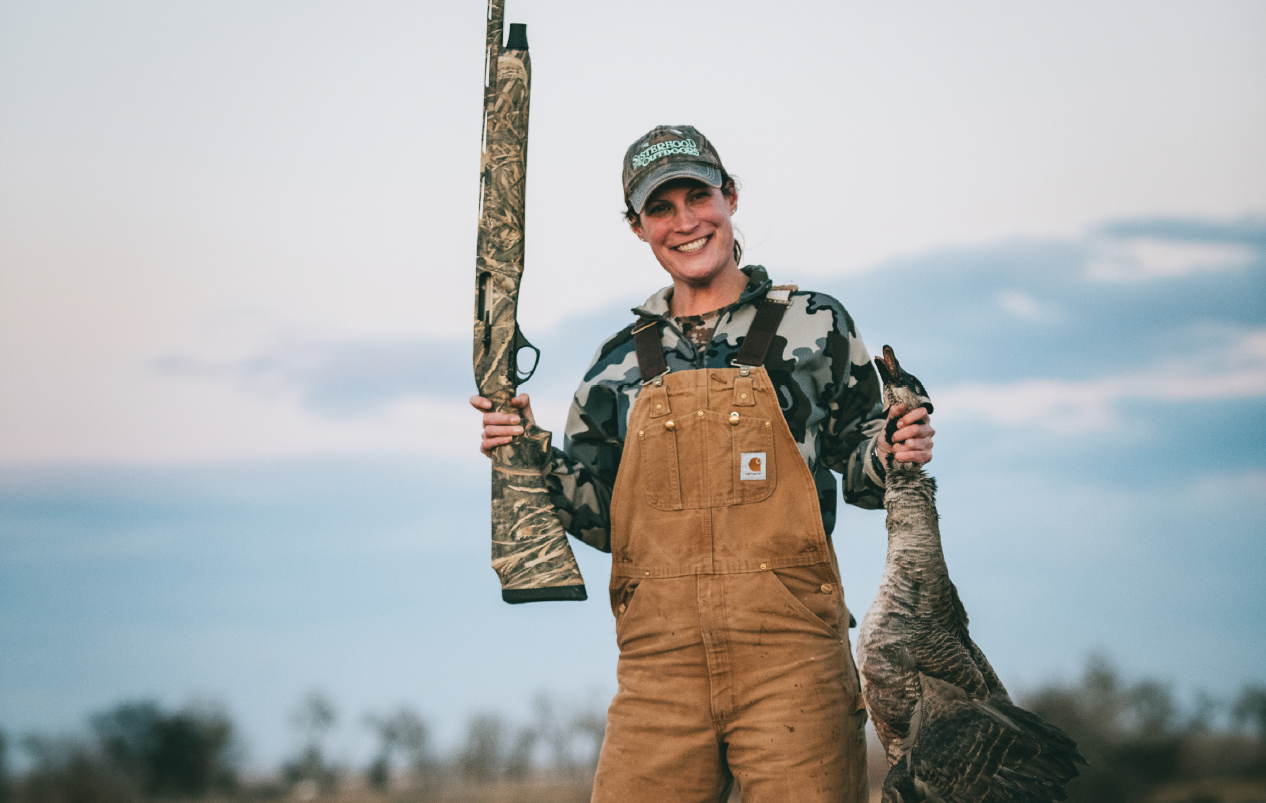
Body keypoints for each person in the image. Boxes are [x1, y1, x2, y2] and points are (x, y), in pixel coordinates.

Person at [470, 125, 933, 803]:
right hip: (657, 678)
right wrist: (526, 450)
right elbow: (606, 518)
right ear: (637, 227)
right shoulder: (617, 365)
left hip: (794, 668)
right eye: (662, 208)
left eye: (699, 196)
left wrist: (896, 447)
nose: (685, 222)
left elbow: (864, 467)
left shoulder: (814, 324)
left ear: (731, 197)